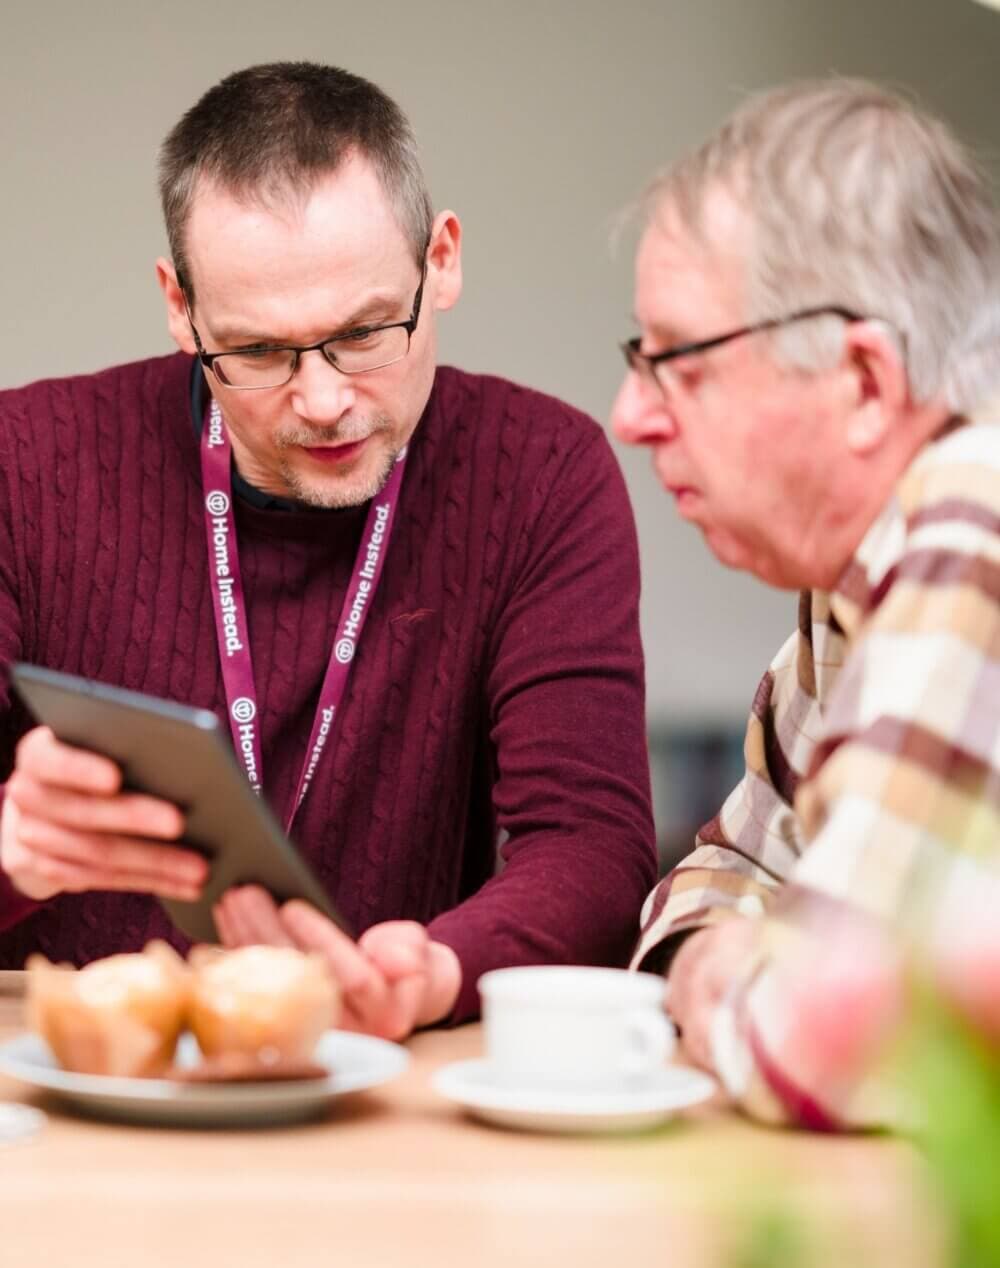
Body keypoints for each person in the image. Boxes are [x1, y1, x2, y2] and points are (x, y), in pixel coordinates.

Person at [0, 61, 656, 1039]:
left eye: (364, 333)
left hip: (386, 1072)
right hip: (78, 1073)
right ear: (179, 307)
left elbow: (592, 846)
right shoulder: (21, 463)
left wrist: (437, 969)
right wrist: (15, 854)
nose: (321, 400)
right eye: (259, 352)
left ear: (442, 259)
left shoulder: (541, 472)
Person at [612, 78, 1000, 1127]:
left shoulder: (975, 517)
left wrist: (722, 968)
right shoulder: (852, 581)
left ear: (864, 382)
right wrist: (732, 949)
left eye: (678, 361)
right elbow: (722, 870)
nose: (629, 414)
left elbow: (811, 1044)